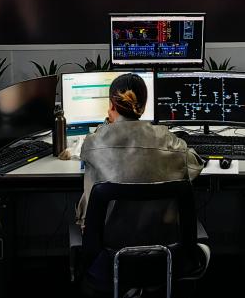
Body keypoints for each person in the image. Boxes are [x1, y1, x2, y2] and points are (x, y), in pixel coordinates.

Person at [76, 73, 203, 228]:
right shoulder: (168, 139)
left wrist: (107, 125)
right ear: (142, 107)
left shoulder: (93, 142)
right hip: (162, 238)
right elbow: (196, 164)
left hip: (105, 239)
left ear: (112, 106)